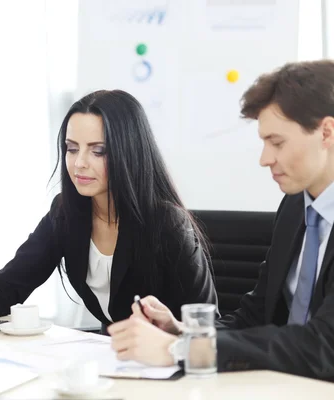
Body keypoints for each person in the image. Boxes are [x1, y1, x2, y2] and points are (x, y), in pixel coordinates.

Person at [0, 89, 217, 330]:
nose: (79, 162)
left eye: (98, 151)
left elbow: (206, 325)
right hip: (112, 359)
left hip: (168, 369)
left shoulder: (167, 223)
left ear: (129, 153)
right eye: (72, 148)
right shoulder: (67, 213)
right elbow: (12, 284)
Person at [108, 60, 334, 381]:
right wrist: (184, 331)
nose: (264, 158)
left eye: (277, 142)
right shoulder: (295, 207)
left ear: (326, 132)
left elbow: (325, 345)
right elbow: (256, 315)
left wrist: (181, 350)